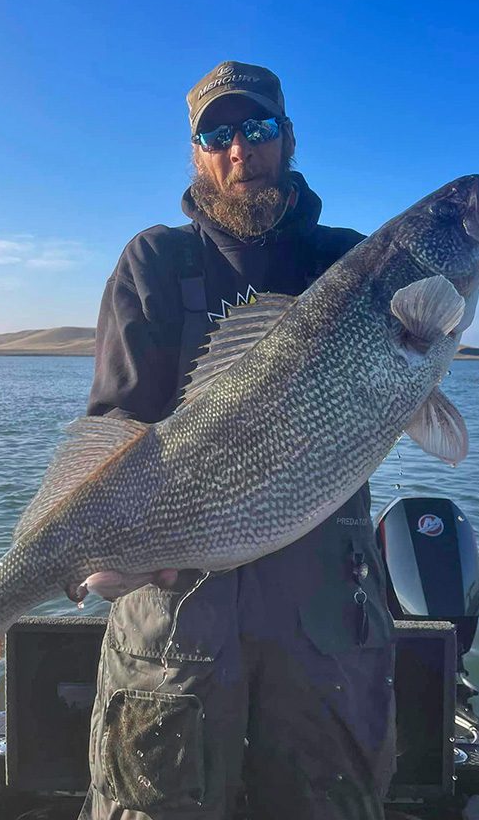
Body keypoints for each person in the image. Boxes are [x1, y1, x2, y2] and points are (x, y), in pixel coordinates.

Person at [78, 61, 396, 820]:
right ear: (196, 152)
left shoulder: (351, 264)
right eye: (216, 133)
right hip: (172, 617)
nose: (238, 149)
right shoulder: (154, 263)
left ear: (287, 140)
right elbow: (114, 432)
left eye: (256, 128)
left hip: (326, 629)